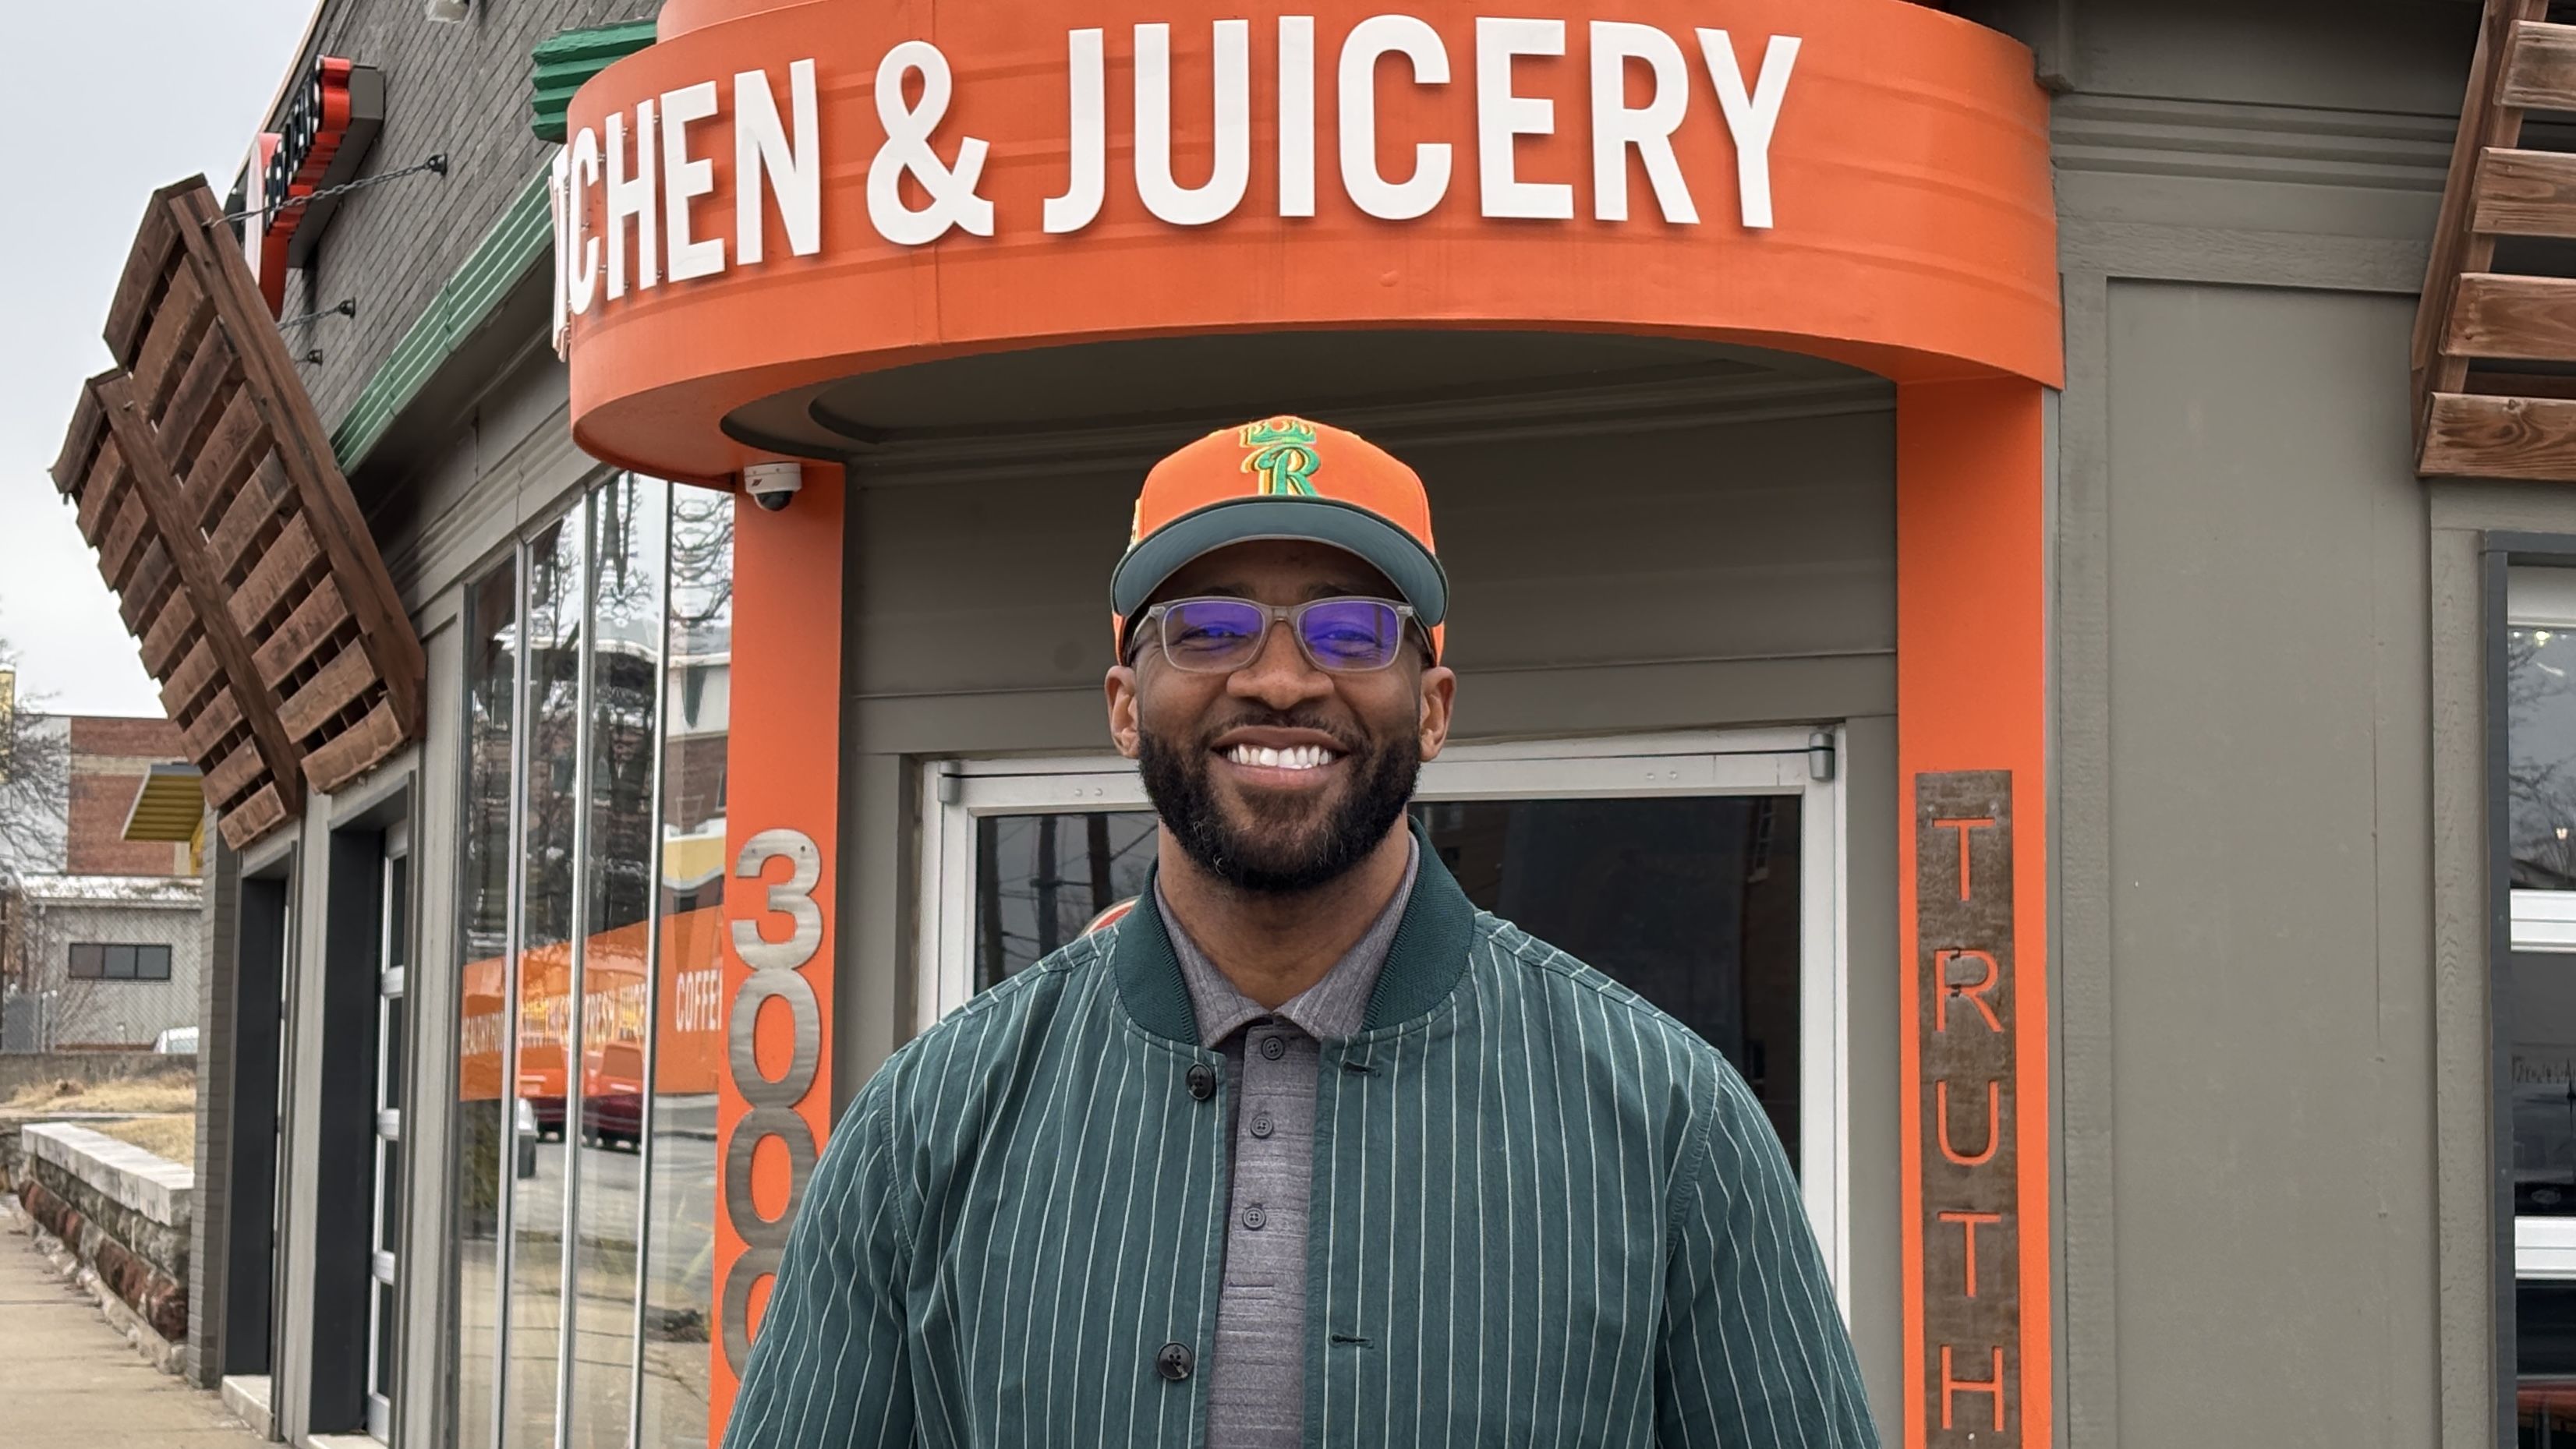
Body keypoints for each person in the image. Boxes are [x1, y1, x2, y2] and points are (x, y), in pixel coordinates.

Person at [724, 416, 1879, 1449]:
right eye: (1211, 629)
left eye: (1353, 630)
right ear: (1126, 702)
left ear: (1433, 708)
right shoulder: (932, 1121)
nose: (1280, 680)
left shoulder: (1670, 1119)